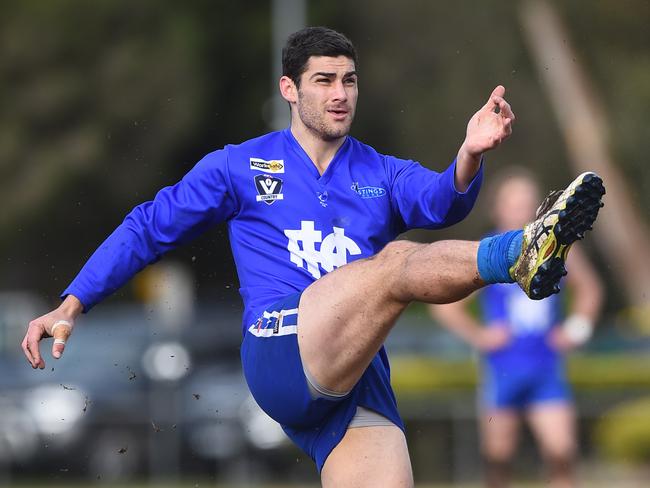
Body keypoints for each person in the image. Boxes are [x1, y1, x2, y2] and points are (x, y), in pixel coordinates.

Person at [22, 27, 604, 487]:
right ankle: (521, 252)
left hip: (354, 377)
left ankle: (525, 252)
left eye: (349, 81)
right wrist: (72, 303)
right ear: (289, 89)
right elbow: (149, 227)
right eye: (324, 80)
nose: (340, 94)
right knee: (398, 263)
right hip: (280, 345)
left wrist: (470, 154)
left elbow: (440, 200)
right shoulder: (240, 165)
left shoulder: (378, 170)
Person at [430, 167, 604, 488]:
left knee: (562, 452)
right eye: (513, 202)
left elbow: (590, 289)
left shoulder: (557, 247)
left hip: (545, 366)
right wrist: (480, 336)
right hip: (502, 369)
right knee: (498, 459)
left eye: (527, 202)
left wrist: (576, 329)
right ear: (498, 207)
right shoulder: (488, 251)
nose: (521, 209)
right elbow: (445, 307)